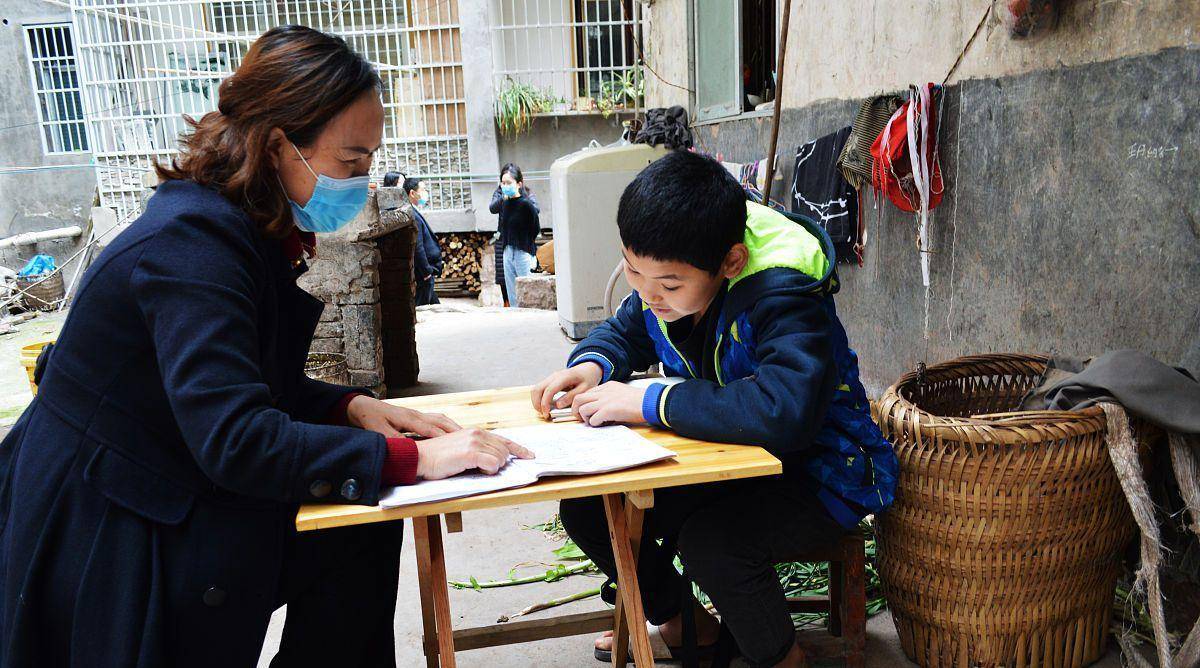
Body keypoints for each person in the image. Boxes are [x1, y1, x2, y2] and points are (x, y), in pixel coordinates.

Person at [0, 26, 532, 668]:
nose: (362, 183)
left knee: (358, 529)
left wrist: (352, 410)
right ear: (280, 145)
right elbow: (236, 436)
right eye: (351, 162)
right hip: (108, 514)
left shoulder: (243, 227)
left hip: (169, 471)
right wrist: (409, 459)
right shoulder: (191, 249)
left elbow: (244, 382)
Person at [530, 151, 896, 667]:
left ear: (730, 263)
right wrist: (593, 364)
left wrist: (652, 401)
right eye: (633, 271)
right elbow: (628, 328)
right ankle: (687, 625)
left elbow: (785, 412)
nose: (647, 293)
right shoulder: (665, 275)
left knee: (713, 541)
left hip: (821, 474)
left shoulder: (784, 292)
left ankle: (783, 658)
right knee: (590, 508)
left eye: (669, 286)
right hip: (733, 461)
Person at [489, 163, 540, 307]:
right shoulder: (503, 201)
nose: (505, 186)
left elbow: (535, 227)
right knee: (510, 289)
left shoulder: (527, 202)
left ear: (518, 184)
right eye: (503, 183)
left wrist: (524, 242)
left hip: (523, 249)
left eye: (508, 183)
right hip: (507, 247)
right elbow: (493, 208)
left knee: (527, 290)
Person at [401, 174, 442, 306]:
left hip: (426, 273)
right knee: (422, 308)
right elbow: (418, 246)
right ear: (412, 193)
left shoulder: (414, 211)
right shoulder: (412, 214)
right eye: (423, 190)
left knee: (434, 306)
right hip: (424, 274)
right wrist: (426, 272)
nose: (425, 193)